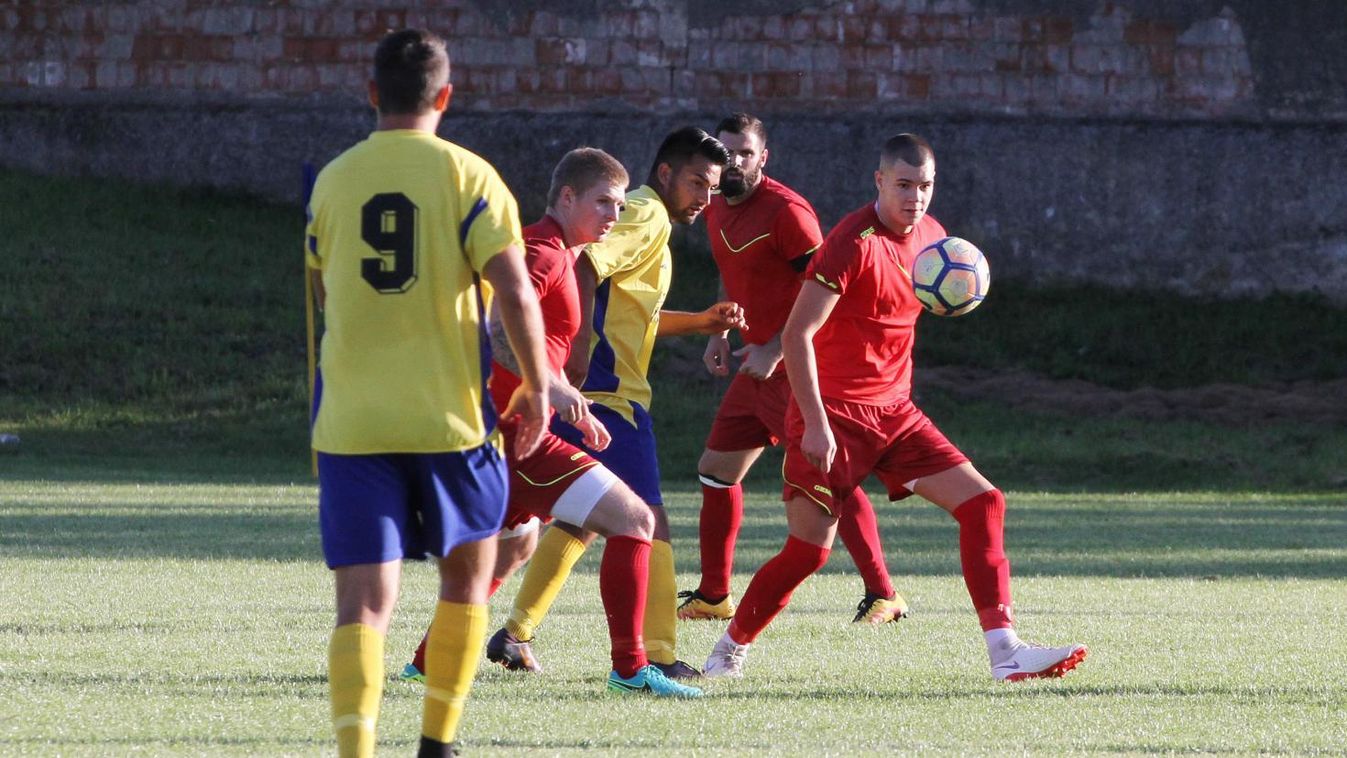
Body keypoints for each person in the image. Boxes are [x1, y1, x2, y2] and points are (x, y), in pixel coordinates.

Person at [703, 133, 1088, 682]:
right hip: (834, 415)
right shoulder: (851, 242)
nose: (916, 198)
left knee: (984, 503)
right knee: (807, 552)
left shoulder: (935, 241)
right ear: (879, 181)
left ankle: (1006, 652)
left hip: (896, 413)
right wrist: (812, 423)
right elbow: (797, 336)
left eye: (925, 186)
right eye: (904, 185)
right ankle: (728, 651)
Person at [305, 29, 552, 757]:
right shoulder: (471, 177)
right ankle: (436, 745)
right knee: (465, 584)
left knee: (362, 607)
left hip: (352, 423)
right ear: (445, 96)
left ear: (372, 92)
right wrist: (537, 389)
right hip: (450, 421)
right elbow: (515, 292)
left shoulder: (333, 180)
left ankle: (355, 751)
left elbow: (322, 288)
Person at [400, 147, 702, 698]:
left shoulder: (557, 251)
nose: (614, 214)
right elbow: (498, 333)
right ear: (566, 197)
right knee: (635, 520)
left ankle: (427, 662)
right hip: (519, 433)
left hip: (504, 428)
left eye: (618, 203)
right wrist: (558, 390)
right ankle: (632, 671)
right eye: (603, 202)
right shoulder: (542, 253)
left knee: (515, 547)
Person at [487, 127, 743, 680]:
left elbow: (635, 314)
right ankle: (656, 655)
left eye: (714, 188)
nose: (705, 197)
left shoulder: (650, 221)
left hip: (601, 391)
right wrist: (576, 351)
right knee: (647, 518)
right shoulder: (646, 213)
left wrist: (703, 320)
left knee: (584, 520)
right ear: (667, 174)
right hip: (606, 395)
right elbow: (585, 264)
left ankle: (514, 633)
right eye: (697, 181)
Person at [678, 112, 908, 626]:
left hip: (795, 366)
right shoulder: (715, 203)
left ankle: (884, 594)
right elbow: (732, 271)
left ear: (764, 158)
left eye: (744, 152)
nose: (733, 160)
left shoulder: (788, 213)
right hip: (754, 364)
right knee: (716, 470)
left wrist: (777, 350)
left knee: (830, 475)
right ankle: (714, 595)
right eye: (725, 151)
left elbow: (827, 291)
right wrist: (721, 327)